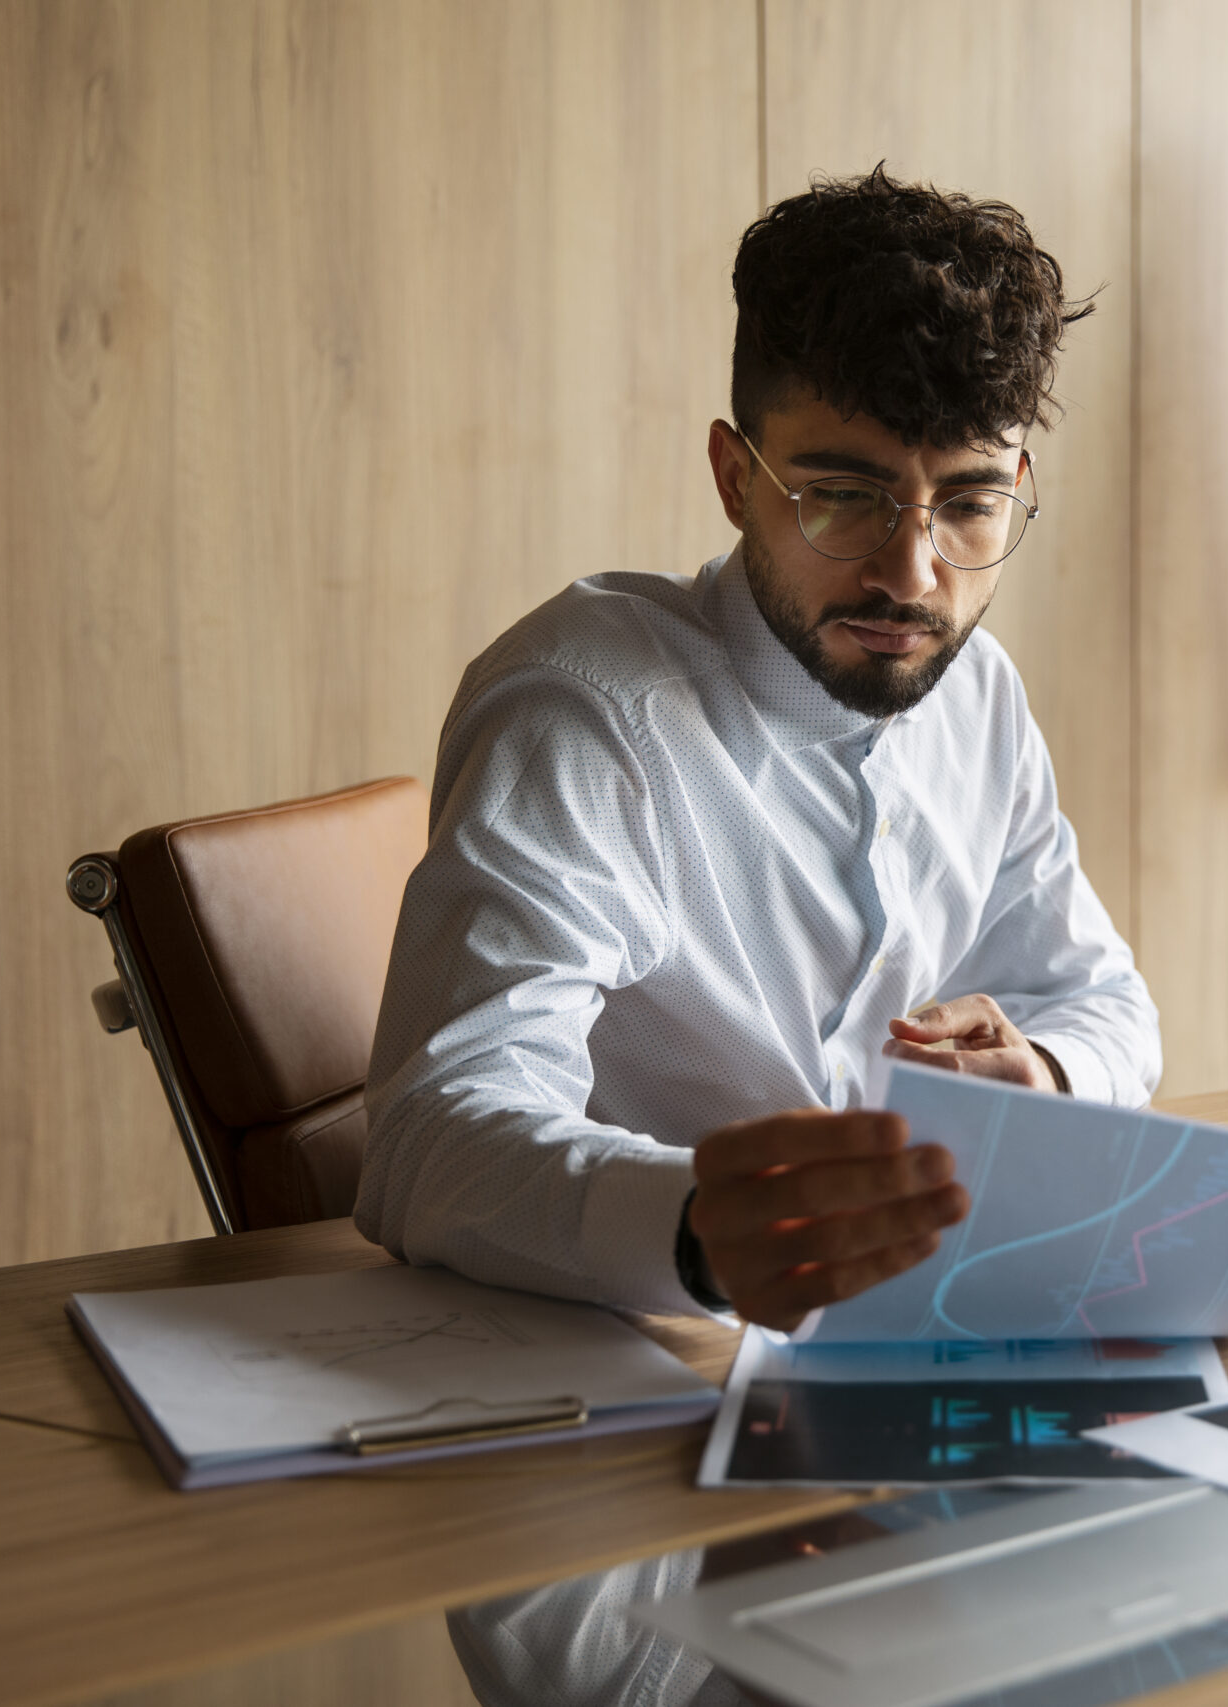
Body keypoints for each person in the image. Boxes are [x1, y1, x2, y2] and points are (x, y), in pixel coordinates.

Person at [356, 168, 1161, 1332]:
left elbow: (1103, 1001)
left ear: (1017, 486)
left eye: (971, 503)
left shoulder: (975, 691)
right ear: (738, 478)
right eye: (843, 496)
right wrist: (689, 1231)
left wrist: (1038, 1072)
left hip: (917, 1339)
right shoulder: (584, 715)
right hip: (635, 1386)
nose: (912, 574)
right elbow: (433, 1133)